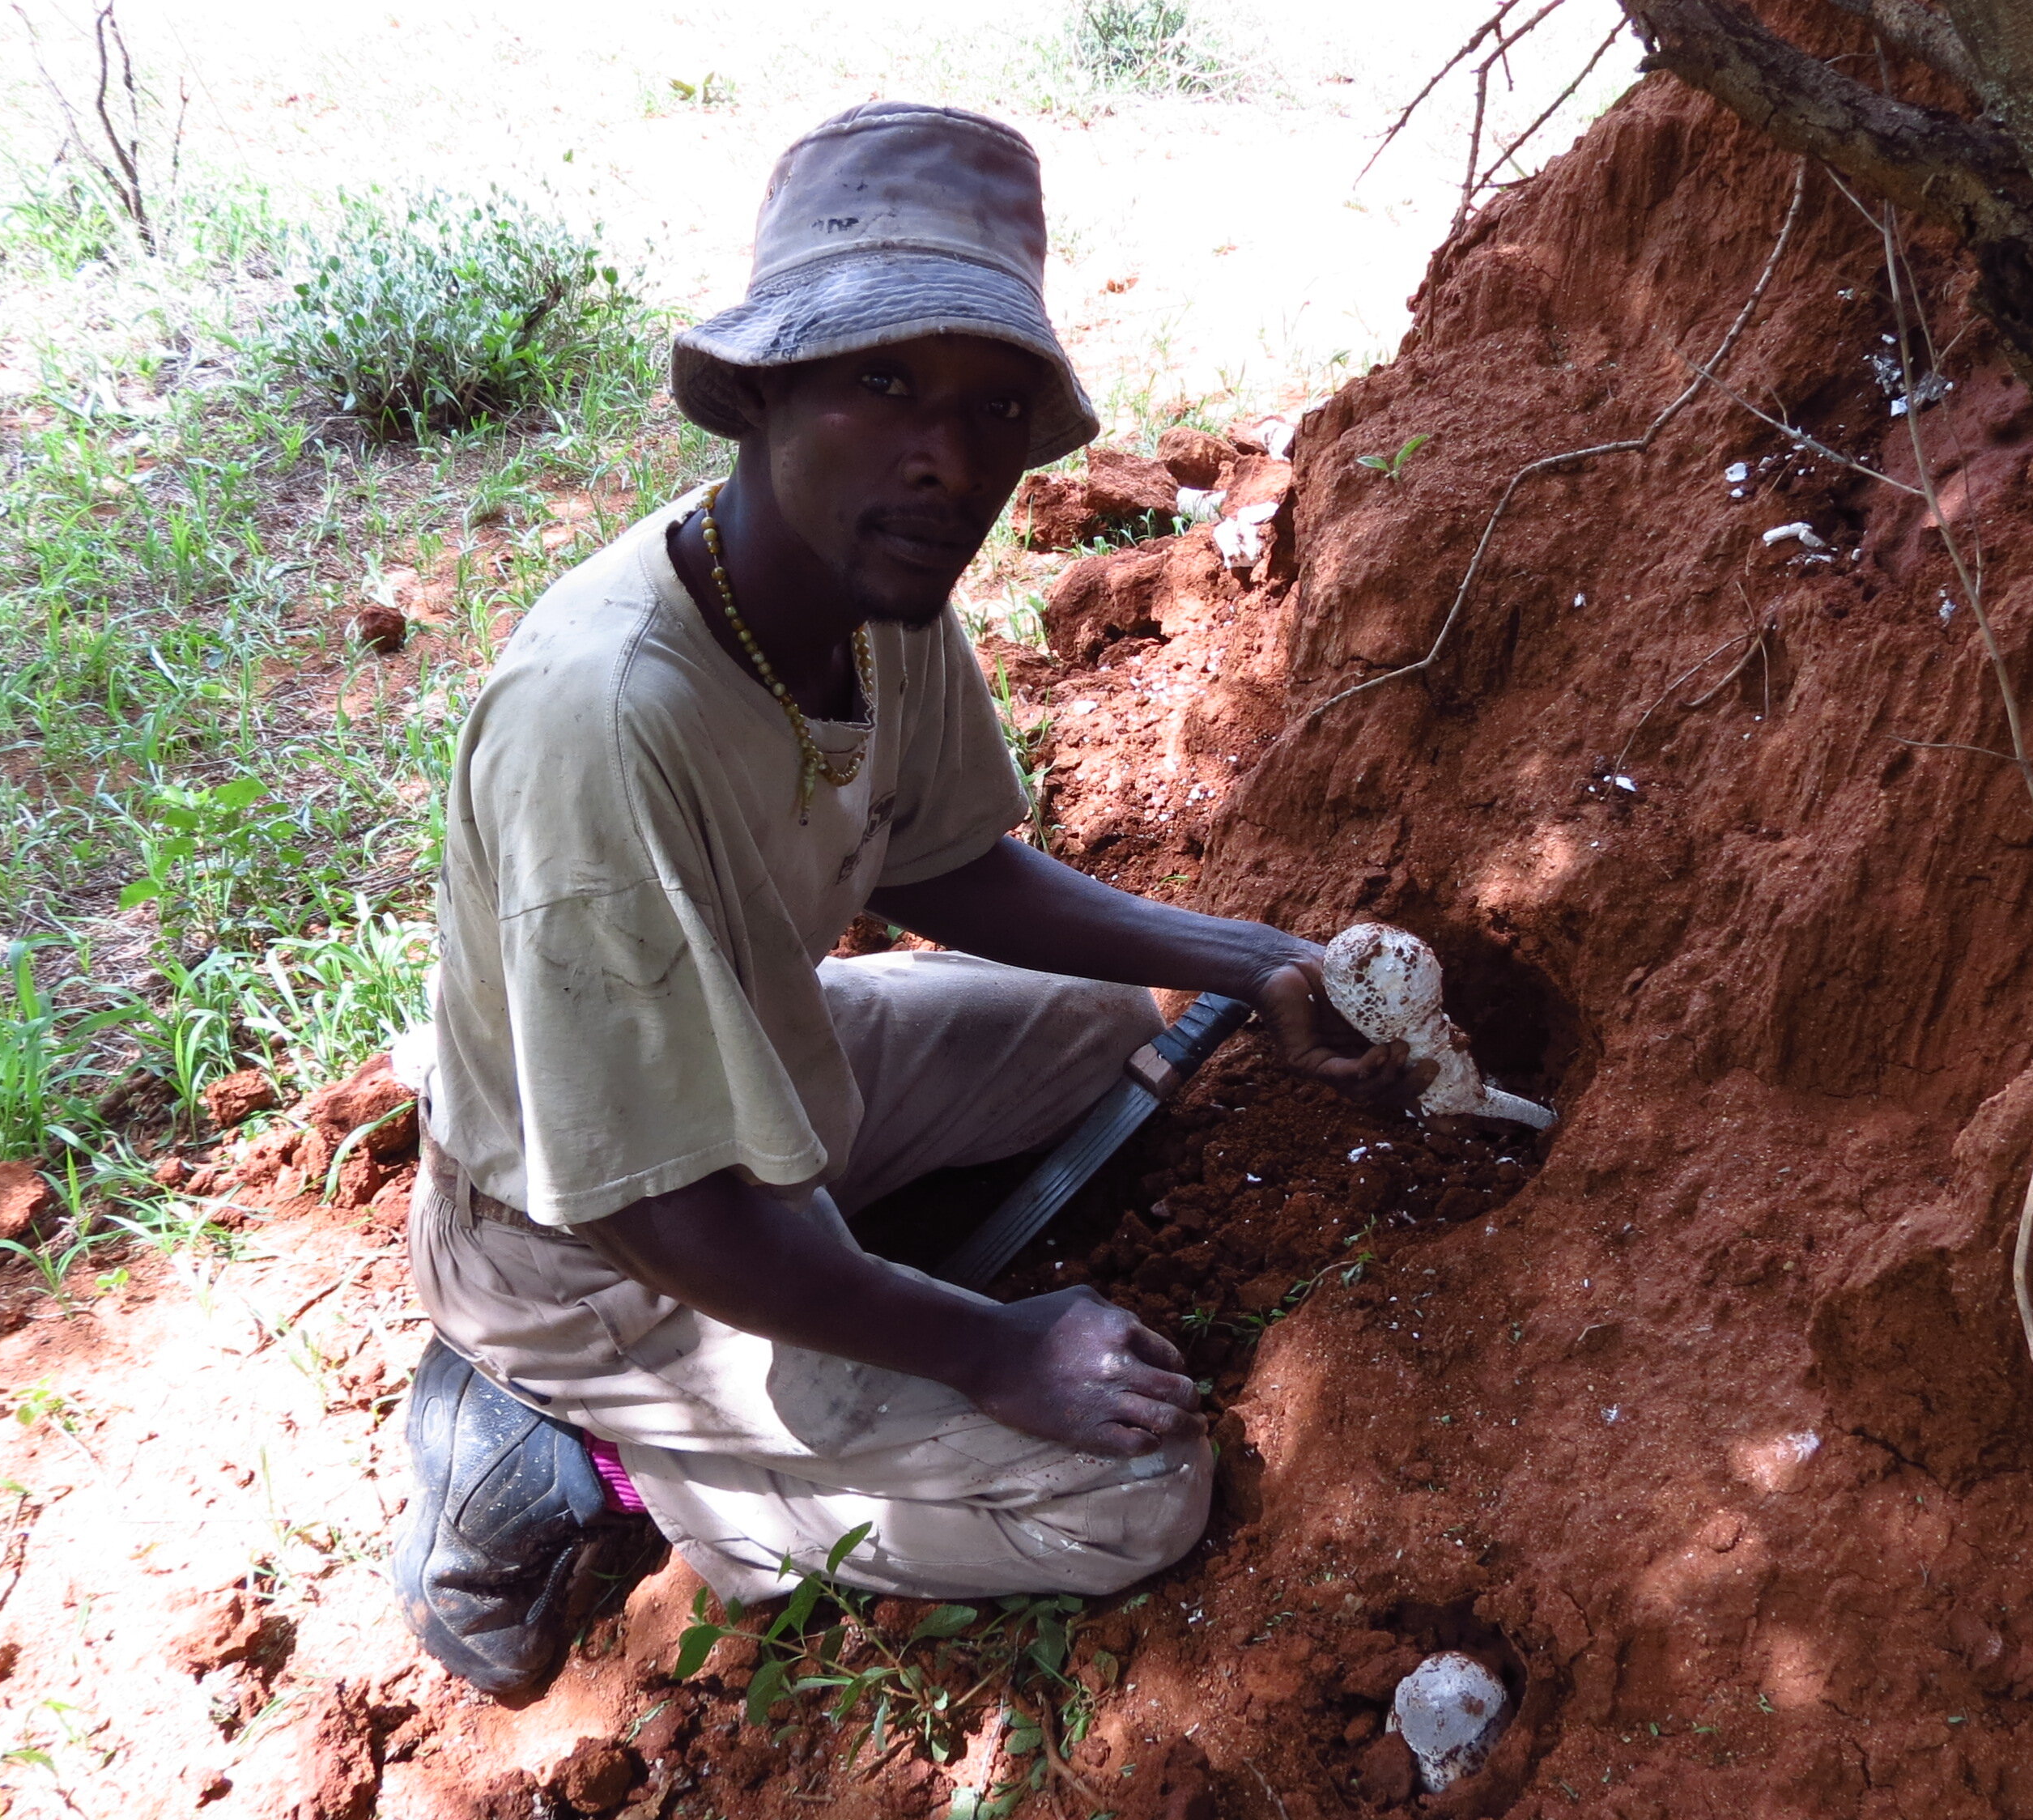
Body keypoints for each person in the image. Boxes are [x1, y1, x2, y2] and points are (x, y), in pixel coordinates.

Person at [389, 100, 1421, 1695]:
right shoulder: (602, 718)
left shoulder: (874, 587)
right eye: (884, 383)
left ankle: (808, 1319)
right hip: (583, 1236)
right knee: (1128, 1491)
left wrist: (1252, 957)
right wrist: (989, 1346)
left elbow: (941, 859)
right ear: (761, 390)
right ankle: (581, 1463)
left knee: (1092, 1028)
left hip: (752, 1093)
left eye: (993, 404)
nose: (948, 458)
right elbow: (662, 1207)